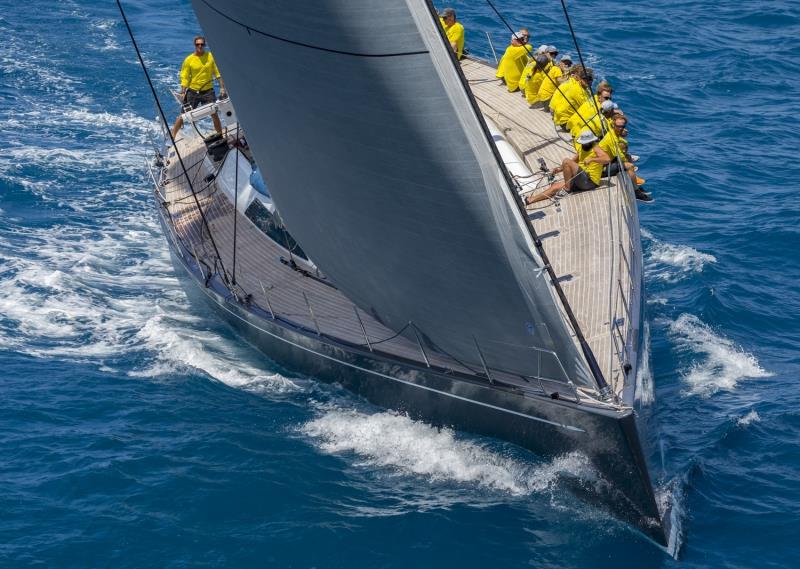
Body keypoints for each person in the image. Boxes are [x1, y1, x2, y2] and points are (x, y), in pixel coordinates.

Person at [525, 130, 609, 205]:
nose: (583, 144)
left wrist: (592, 159)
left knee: (566, 161)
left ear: (591, 141)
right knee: (554, 186)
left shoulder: (596, 148)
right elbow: (573, 161)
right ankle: (531, 200)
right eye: (583, 142)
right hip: (579, 179)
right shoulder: (581, 148)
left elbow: (607, 159)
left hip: (589, 181)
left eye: (585, 142)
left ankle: (566, 189)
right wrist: (559, 169)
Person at [170, 36, 226, 139]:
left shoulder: (210, 56)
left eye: (202, 44)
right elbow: (185, 77)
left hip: (208, 91)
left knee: (214, 113)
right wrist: (183, 92)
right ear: (194, 45)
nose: (200, 46)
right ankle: (172, 137)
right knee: (183, 115)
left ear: (204, 45)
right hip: (193, 92)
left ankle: (220, 136)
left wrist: (222, 88)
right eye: (197, 44)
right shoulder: (189, 60)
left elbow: (218, 73)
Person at [599, 116, 652, 202]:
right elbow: (620, 157)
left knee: (627, 157)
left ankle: (635, 181)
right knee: (629, 166)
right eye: (618, 126)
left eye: (622, 127)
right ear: (613, 124)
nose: (620, 129)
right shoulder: (611, 139)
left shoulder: (613, 133)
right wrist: (629, 162)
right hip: (601, 169)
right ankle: (636, 192)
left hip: (608, 161)